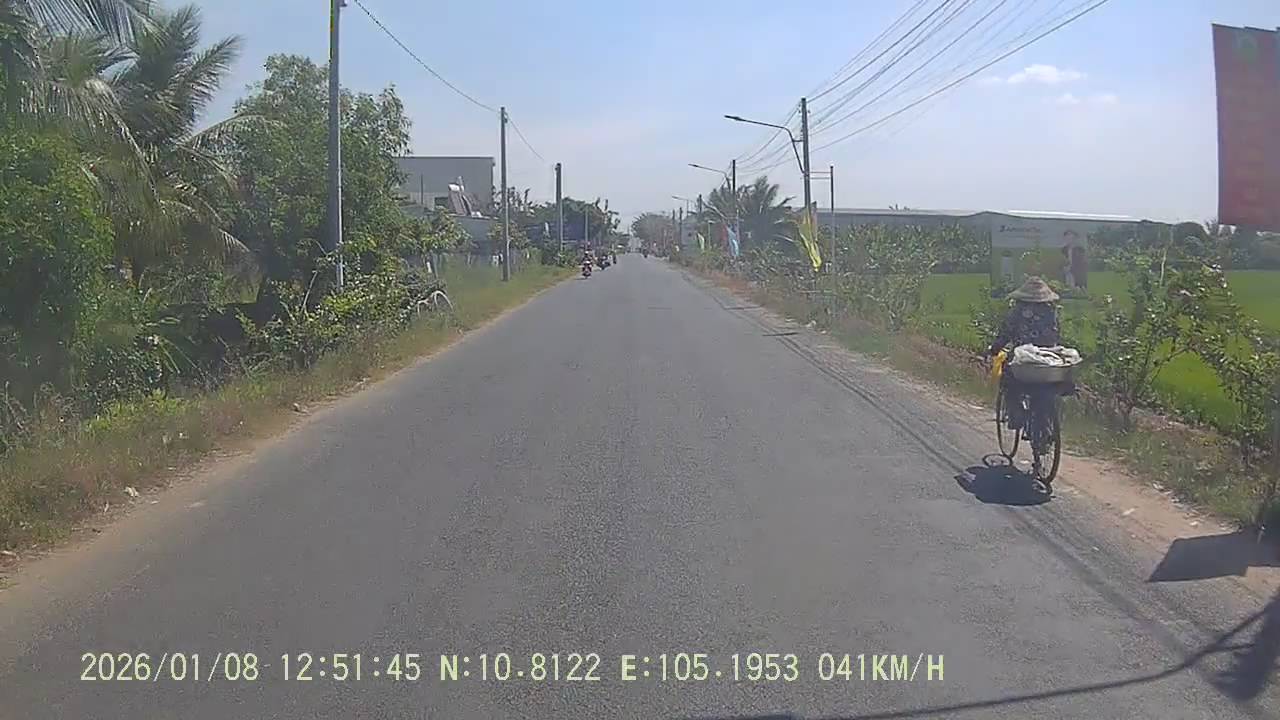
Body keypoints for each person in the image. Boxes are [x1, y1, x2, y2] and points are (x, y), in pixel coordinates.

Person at [986, 276, 1061, 429]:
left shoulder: (1017, 312)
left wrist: (995, 349)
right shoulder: (1050, 311)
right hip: (1047, 355)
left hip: (1023, 355)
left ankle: (1016, 413)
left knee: (1007, 378)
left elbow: (1006, 334)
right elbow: (1056, 334)